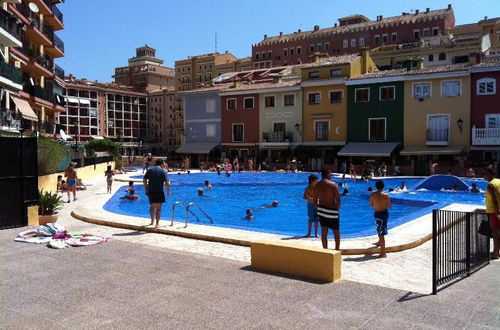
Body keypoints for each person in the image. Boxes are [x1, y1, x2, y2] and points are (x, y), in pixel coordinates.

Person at [311, 169, 341, 250]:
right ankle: (337, 250)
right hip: (332, 210)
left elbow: (314, 200)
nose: (331, 175)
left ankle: (325, 251)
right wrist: (336, 209)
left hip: (322, 210)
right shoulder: (333, 185)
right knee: (336, 232)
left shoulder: (317, 186)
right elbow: (338, 200)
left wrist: (319, 208)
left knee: (324, 232)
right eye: (330, 174)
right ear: (327, 174)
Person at [143, 159, 171, 228]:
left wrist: (146, 188)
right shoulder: (163, 171)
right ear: (161, 164)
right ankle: (157, 224)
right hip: (159, 191)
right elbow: (167, 183)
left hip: (151, 190)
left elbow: (144, 180)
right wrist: (168, 191)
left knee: (152, 206)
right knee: (158, 208)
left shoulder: (150, 170)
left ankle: (152, 221)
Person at [369, 180, 391, 258]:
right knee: (380, 229)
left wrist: (376, 203)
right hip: (384, 213)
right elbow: (389, 206)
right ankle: (379, 242)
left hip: (378, 214)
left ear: (376, 186)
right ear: (383, 187)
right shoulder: (386, 195)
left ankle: (383, 253)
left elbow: (371, 205)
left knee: (381, 233)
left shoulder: (372, 195)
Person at [484, 168, 500, 259]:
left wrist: (497, 213)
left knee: (495, 233)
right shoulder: (498, 181)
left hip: (494, 212)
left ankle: (495, 253)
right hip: (498, 210)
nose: (484, 176)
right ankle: (497, 251)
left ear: (490, 174)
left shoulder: (490, 185)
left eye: (485, 174)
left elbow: (494, 199)